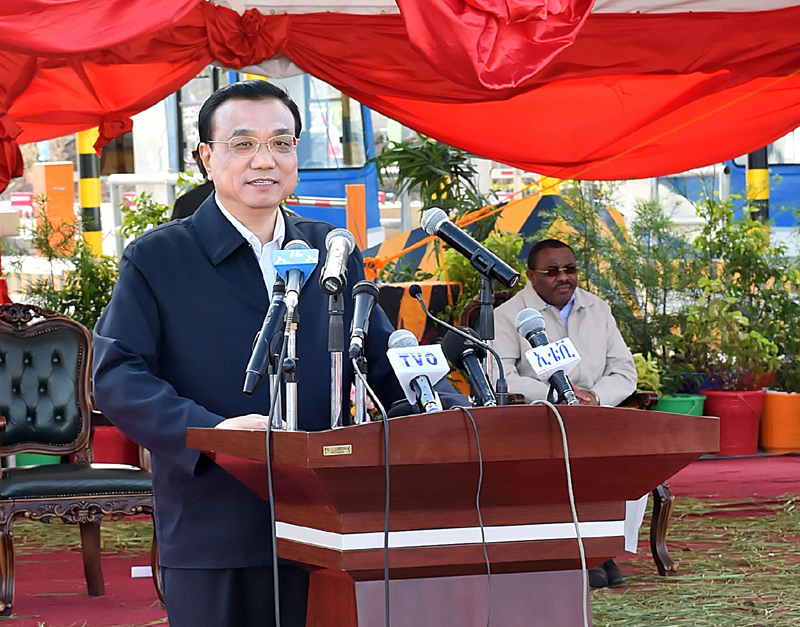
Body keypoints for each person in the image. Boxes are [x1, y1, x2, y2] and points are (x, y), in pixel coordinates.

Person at [92, 80, 464, 627]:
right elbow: (118, 375)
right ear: (206, 158)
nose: (264, 160)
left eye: (281, 143)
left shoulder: (331, 248)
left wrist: (452, 413)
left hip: (328, 513)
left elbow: (381, 354)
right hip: (214, 516)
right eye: (243, 144)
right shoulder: (159, 257)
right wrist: (213, 433)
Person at [493, 238, 640, 588]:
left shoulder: (597, 309)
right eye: (552, 271)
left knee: (634, 459)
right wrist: (556, 396)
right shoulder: (507, 316)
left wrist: (596, 397)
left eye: (570, 269)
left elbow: (624, 371)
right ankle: (572, 554)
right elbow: (501, 376)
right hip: (539, 420)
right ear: (531, 276)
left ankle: (603, 547)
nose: (563, 277)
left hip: (596, 417)